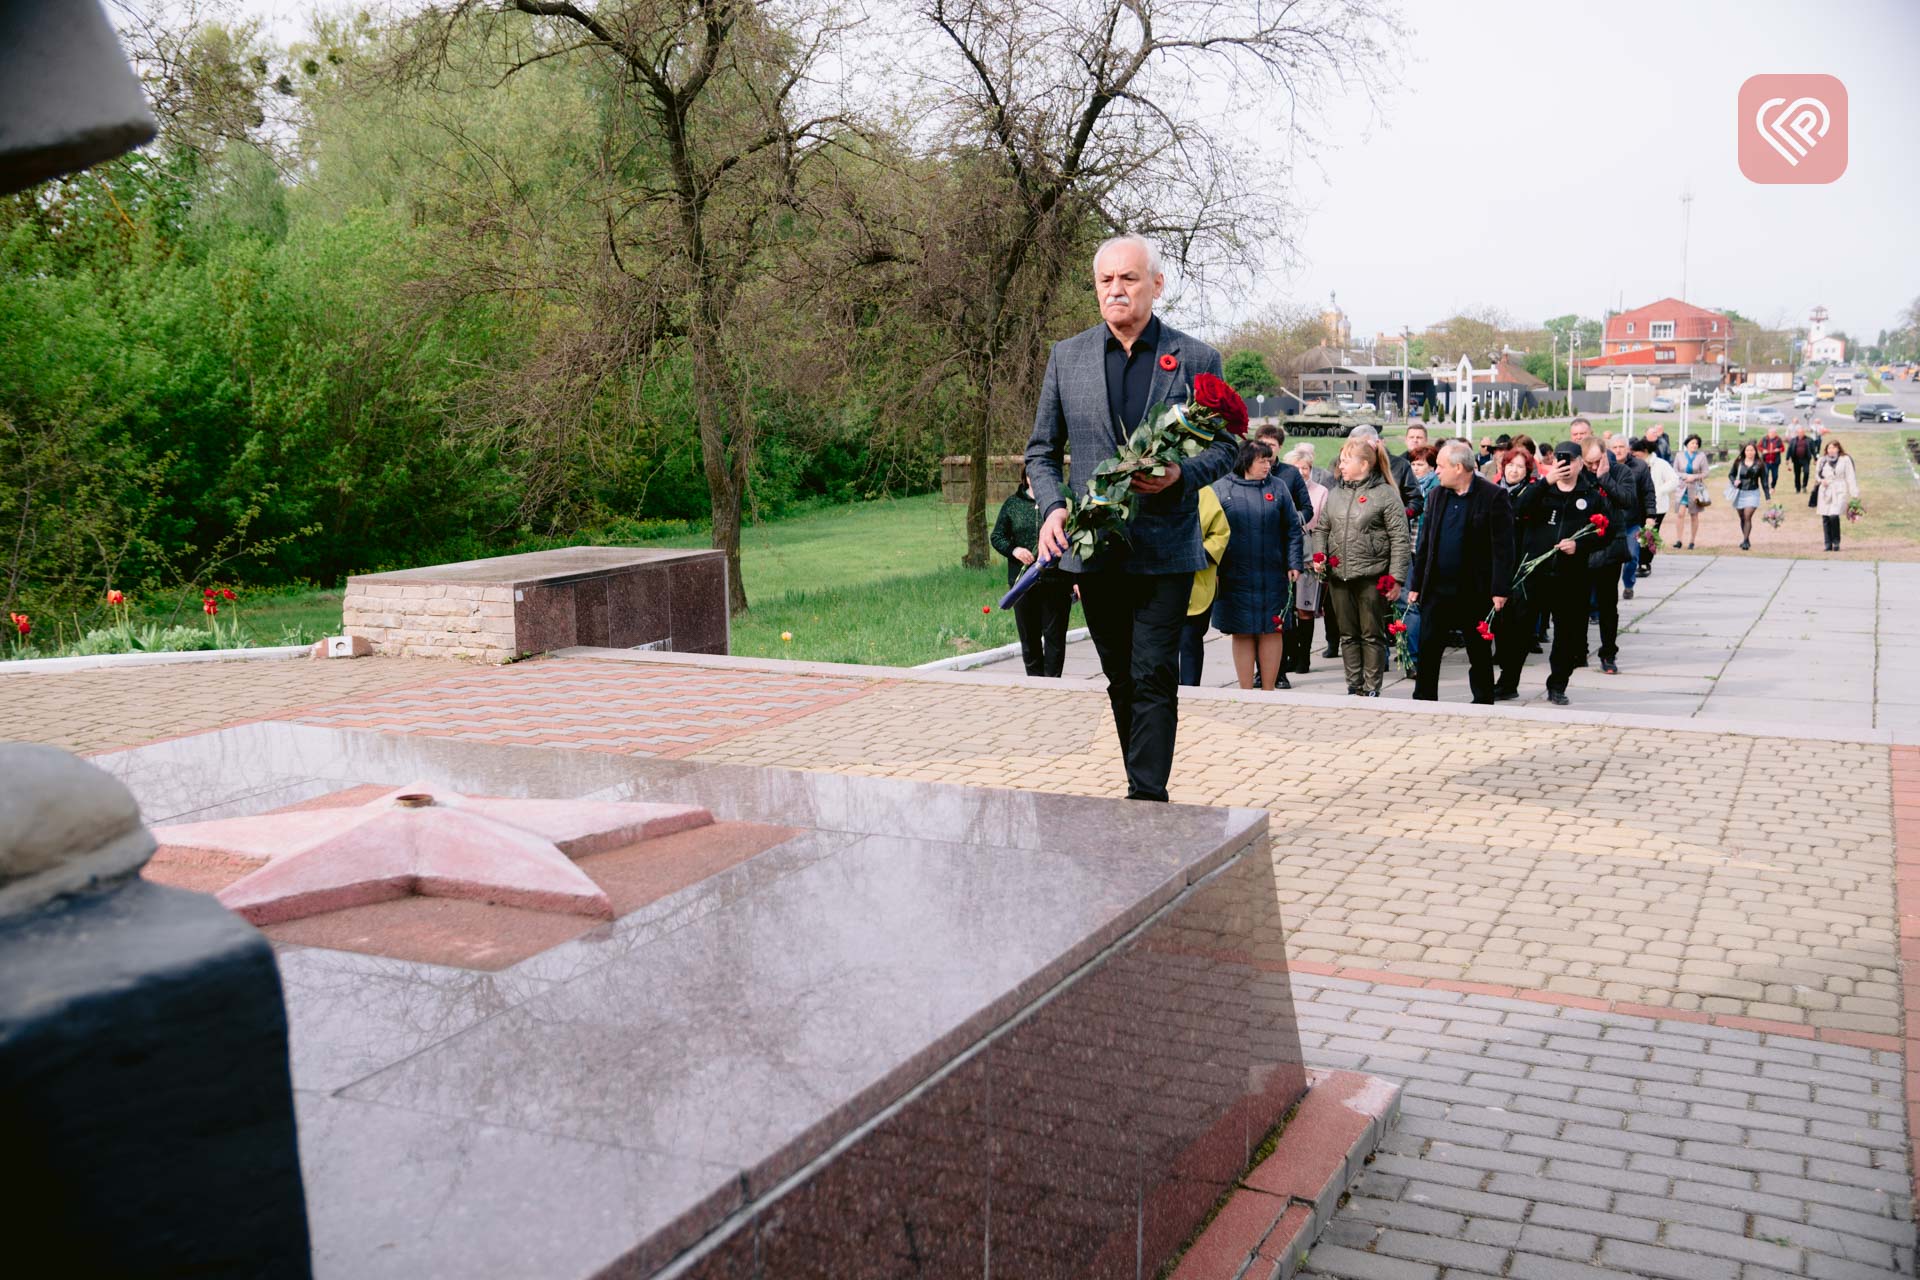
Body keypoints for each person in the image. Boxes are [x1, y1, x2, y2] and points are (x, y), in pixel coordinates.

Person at [1028, 233, 1237, 802]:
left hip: (1166, 548)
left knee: (1152, 672)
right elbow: (1041, 451)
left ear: (1156, 284)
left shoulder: (1195, 358)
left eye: (1128, 278)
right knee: (1120, 675)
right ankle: (1138, 780)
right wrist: (1052, 507)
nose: (1116, 290)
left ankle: (1148, 798)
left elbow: (1226, 449)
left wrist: (1179, 477)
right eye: (1106, 280)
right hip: (1097, 552)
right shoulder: (1066, 357)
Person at [1407, 441, 1514, 704]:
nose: (1436, 472)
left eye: (1441, 467)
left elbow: (1503, 549)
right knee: (1430, 646)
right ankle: (1424, 697)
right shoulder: (1436, 496)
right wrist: (1416, 584)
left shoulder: (1492, 496)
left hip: (1474, 590)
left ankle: (1483, 699)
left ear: (1458, 467)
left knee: (1478, 651)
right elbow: (1425, 544)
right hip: (1437, 589)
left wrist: (1500, 589)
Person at [1313, 437, 1411, 697]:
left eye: (1346, 460)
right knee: (1347, 634)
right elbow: (1322, 528)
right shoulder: (1336, 493)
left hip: (1372, 575)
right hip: (1339, 576)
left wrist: (1396, 577)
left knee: (1371, 634)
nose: (1340, 465)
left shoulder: (1386, 494)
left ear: (1365, 464)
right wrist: (1319, 556)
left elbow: (1400, 538)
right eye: (1341, 460)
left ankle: (1371, 687)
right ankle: (1353, 684)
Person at [1514, 442, 1603, 705]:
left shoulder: (1591, 495)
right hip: (1536, 574)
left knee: (1566, 636)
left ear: (1579, 463)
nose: (1564, 465)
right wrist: (1545, 481)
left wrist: (1580, 545)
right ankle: (1508, 682)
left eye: (1570, 461)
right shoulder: (1541, 490)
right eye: (1559, 460)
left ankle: (1557, 686)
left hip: (1570, 578)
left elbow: (1604, 533)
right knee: (1519, 631)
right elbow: (1517, 511)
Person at [1212, 440, 1304, 690]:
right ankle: (1245, 691)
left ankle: (1269, 689)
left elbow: (1293, 529)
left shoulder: (1279, 487)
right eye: (1262, 460)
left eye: (1269, 460)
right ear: (1245, 462)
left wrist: (1294, 562)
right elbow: (1208, 531)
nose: (1268, 465)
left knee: (1272, 628)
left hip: (1272, 573)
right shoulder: (1220, 489)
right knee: (1241, 630)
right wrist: (1214, 570)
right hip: (1234, 575)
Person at [990, 466, 1073, 676]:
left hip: (1057, 581)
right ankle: (1034, 682)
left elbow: (1073, 542)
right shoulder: (1013, 504)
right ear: (1025, 478)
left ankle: (1053, 683)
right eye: (1032, 476)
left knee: (1055, 638)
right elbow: (997, 536)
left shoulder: (1062, 505)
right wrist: (1014, 550)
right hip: (1023, 584)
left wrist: (1075, 580)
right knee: (1029, 638)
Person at [1583, 440, 1636, 674]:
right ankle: (1578, 649)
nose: (1594, 467)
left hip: (1610, 546)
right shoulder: (1580, 474)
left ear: (1606, 455)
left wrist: (1605, 478)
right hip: (1584, 546)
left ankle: (1608, 653)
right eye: (1589, 463)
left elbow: (1627, 500)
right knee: (1579, 604)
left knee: (1607, 604)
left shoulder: (1621, 471)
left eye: (1598, 461)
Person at [1492, 448, 1540, 699]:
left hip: (1521, 569)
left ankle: (1510, 681)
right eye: (1511, 465)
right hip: (1495, 568)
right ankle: (1503, 676)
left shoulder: (1532, 494)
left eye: (1520, 467)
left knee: (1516, 629)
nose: (1514, 470)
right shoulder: (1494, 491)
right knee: (1499, 627)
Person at [1179, 481, 1231, 686]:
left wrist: (1198, 554)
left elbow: (1220, 532)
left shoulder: (1204, 493)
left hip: (1196, 583)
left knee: (1190, 639)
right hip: (1156, 581)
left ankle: (1191, 690)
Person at [1283, 442, 1328, 673]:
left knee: (1305, 608)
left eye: (1306, 468)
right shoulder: (1282, 489)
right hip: (1286, 554)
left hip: (1310, 557)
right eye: (1297, 467)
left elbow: (1323, 524)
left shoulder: (1320, 492)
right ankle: (1290, 653)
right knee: (1286, 609)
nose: (1301, 472)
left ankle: (1304, 657)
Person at [1606, 433, 1656, 600]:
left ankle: (1628, 584)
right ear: (1609, 449)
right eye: (1615, 447)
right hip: (1610, 523)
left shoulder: (1640, 466)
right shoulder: (1604, 466)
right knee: (1609, 562)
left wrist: (1650, 515)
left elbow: (1648, 492)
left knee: (1632, 557)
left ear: (1628, 449)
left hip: (1632, 522)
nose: (1618, 450)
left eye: (1622, 447)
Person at [1632, 438, 1679, 577]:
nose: (1633, 455)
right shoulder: (1635, 464)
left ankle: (1646, 562)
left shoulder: (1660, 464)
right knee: (1638, 533)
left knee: (1650, 535)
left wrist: (1659, 490)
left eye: (1636, 453)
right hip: (1639, 505)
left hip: (1657, 507)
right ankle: (1638, 560)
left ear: (1645, 451)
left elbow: (1674, 480)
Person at [1815, 438, 1860, 552]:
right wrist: (1821, 481)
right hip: (1825, 490)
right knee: (1825, 516)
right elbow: (1817, 475)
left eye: (1834, 447)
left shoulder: (1845, 459)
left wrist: (1854, 493)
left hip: (1839, 488)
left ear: (1838, 448)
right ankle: (1827, 544)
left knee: (1834, 515)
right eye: (1829, 447)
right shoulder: (1822, 460)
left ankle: (1836, 542)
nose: (1831, 450)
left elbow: (1850, 476)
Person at [1728, 441, 1771, 550]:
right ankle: (1746, 538)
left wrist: (1767, 496)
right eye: (1747, 450)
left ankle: (1745, 541)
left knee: (1747, 516)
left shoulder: (1760, 464)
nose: (1749, 452)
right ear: (1744, 451)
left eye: (1752, 450)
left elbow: (1764, 481)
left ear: (1755, 451)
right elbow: (1731, 474)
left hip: (1753, 493)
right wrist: (1734, 481)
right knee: (1742, 517)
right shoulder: (1738, 462)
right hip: (1739, 493)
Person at [1673, 433, 1711, 549]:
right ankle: (1679, 540)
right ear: (1687, 444)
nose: (1694, 445)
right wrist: (1686, 476)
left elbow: (1706, 472)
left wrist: (1694, 477)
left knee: (1694, 515)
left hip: (1695, 490)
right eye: (1692, 443)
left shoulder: (1701, 456)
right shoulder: (1679, 455)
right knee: (1680, 514)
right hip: (1682, 488)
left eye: (1696, 443)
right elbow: (1675, 471)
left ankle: (1692, 541)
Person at [1786, 424, 1817, 494]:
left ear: (1804, 433)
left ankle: (1804, 486)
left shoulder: (1809, 440)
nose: (1800, 434)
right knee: (1797, 474)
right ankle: (1798, 488)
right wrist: (1787, 459)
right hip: (1796, 459)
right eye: (1799, 432)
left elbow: (1813, 450)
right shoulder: (1793, 440)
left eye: (1802, 432)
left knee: (1806, 472)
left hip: (1806, 459)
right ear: (1797, 433)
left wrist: (1815, 459)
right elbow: (1789, 449)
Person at [1758, 425, 1786, 492]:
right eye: (1771, 433)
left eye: (1774, 433)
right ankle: (1767, 488)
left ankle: (1772, 486)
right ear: (1768, 433)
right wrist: (1763, 450)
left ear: (1775, 433)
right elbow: (1758, 447)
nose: (1772, 434)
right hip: (1765, 461)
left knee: (1775, 476)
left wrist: (1778, 449)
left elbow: (1783, 449)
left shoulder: (1778, 439)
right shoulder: (1764, 439)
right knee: (1766, 474)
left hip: (1775, 461)